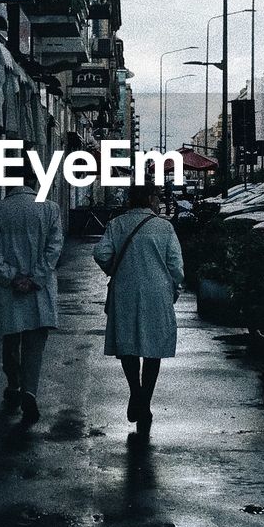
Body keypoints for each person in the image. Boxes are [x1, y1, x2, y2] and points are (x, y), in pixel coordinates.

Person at [93, 184, 185, 436]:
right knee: (153, 348)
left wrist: (115, 269)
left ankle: (135, 391)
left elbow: (100, 253)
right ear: (149, 199)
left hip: (125, 291)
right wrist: (174, 287)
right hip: (157, 292)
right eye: (157, 196)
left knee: (128, 344)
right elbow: (176, 266)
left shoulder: (117, 224)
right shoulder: (164, 227)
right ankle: (145, 400)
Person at [0, 166, 64, 426]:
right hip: (38, 290)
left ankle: (13, 384)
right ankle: (29, 390)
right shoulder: (50, 209)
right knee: (35, 342)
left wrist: (12, 276)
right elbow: (54, 248)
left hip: (8, 289)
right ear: (34, 182)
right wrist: (36, 277)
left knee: (11, 336)